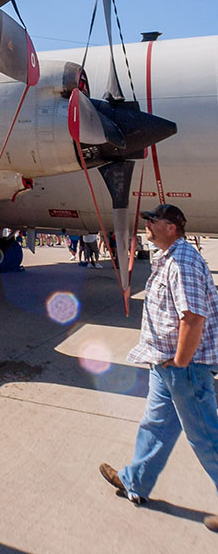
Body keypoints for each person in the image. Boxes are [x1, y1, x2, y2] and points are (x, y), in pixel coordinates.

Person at [98, 204, 218, 532]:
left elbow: (193, 317)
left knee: (206, 437)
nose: (147, 223)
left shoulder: (183, 262)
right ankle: (134, 481)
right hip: (166, 365)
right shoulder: (168, 257)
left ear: (172, 228)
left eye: (154, 220)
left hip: (185, 367)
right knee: (156, 425)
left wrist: (180, 362)